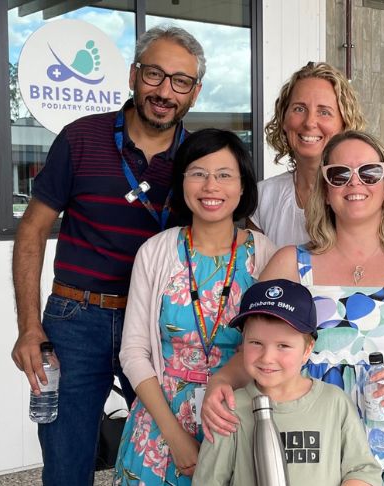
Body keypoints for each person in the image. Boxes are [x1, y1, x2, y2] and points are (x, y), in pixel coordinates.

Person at [203, 131, 384, 485]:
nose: (355, 183)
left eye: (370, 172)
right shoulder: (290, 264)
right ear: (325, 191)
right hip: (311, 447)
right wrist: (220, 380)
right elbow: (258, 346)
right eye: (339, 175)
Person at [10, 25, 206, 485]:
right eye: (155, 74)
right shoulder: (82, 138)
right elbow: (33, 231)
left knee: (166, 456)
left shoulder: (197, 158)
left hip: (159, 322)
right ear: (134, 76)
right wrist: (29, 326)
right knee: (66, 464)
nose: (164, 91)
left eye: (181, 81)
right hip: (77, 318)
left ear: (194, 93)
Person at [113, 128, 275, 484]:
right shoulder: (155, 252)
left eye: (224, 175)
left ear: (243, 186)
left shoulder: (266, 255)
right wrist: (175, 436)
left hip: (239, 421)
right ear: (182, 182)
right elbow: (134, 352)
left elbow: (275, 348)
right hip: (160, 425)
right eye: (198, 173)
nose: (210, 186)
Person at [193, 279, 383, 486]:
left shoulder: (334, 402)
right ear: (243, 342)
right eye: (256, 343)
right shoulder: (228, 411)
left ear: (307, 349)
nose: (267, 357)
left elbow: (362, 470)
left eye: (283, 345)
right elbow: (208, 480)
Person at [249, 61, 384, 247]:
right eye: (299, 109)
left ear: (345, 122)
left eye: (324, 112)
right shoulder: (264, 197)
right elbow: (253, 270)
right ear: (283, 118)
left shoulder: (376, 189)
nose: (310, 122)